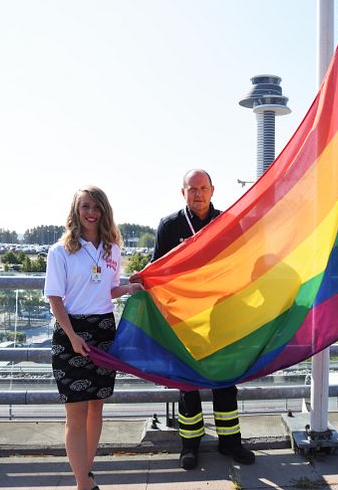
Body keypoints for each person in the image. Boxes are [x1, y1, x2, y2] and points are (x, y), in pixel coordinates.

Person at [147, 169, 255, 470]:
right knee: (188, 383)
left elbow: (241, 264)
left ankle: (230, 442)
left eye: (203, 188)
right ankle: (189, 446)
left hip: (223, 314)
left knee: (226, 381)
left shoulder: (227, 223)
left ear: (212, 190)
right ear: (182, 192)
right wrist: (142, 278)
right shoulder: (169, 226)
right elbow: (158, 269)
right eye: (192, 188)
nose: (198, 193)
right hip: (185, 317)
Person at [45, 186, 143, 490]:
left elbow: (107, 289)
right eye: (85, 206)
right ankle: (83, 485)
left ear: (104, 210)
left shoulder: (112, 248)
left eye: (96, 206)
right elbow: (55, 298)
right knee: (75, 413)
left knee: (96, 406)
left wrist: (127, 289)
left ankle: (86, 472)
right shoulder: (60, 251)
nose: (91, 212)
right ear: (76, 211)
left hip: (102, 330)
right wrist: (73, 337)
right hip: (71, 332)